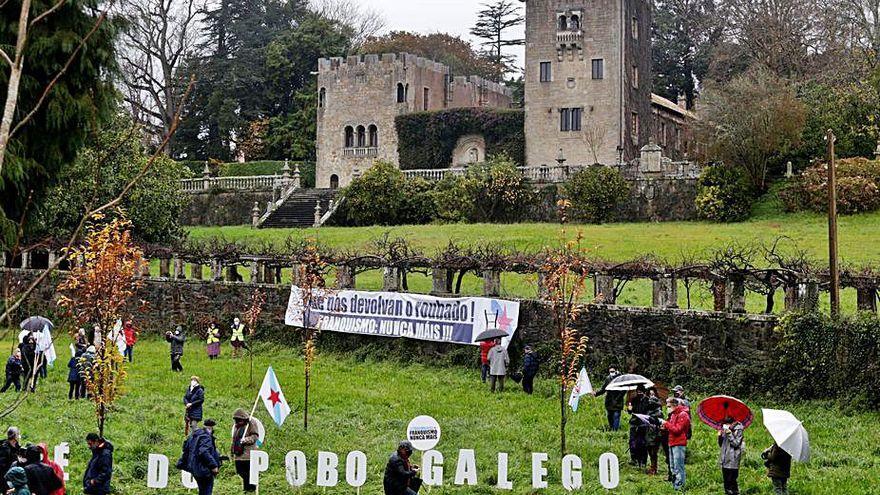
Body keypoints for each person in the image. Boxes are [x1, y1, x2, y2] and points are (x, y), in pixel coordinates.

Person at [177, 420, 221, 495]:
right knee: (207, 491)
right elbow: (204, 452)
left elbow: (185, 451)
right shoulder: (206, 436)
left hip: (194, 469)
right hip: (204, 470)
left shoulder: (193, 435)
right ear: (210, 428)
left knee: (202, 491)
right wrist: (213, 466)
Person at [662, 397, 691, 491]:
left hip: (679, 443)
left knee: (678, 466)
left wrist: (666, 424)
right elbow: (672, 428)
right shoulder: (673, 414)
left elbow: (677, 430)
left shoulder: (683, 415)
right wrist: (664, 427)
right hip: (671, 442)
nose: (667, 408)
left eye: (669, 406)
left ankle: (680, 487)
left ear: (674, 405)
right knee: (672, 466)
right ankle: (675, 486)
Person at [230, 409, 259, 492]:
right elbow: (234, 439)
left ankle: (250, 489)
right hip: (238, 455)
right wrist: (232, 451)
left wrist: (246, 440)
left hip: (248, 454)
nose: (237, 422)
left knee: (248, 474)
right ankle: (247, 489)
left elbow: (255, 436)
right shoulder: (236, 426)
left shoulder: (251, 423)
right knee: (240, 472)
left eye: (239, 420)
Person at [718, 417, 745, 495]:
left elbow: (736, 443)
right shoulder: (725, 429)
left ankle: (735, 492)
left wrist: (729, 433)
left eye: (726, 424)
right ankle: (728, 492)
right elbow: (721, 445)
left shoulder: (738, 430)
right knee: (726, 480)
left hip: (733, 459)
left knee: (732, 480)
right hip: (724, 458)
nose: (725, 426)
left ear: (731, 423)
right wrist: (720, 436)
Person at [594, 366, 625, 431]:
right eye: (610, 372)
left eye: (613, 371)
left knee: (616, 416)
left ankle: (615, 431)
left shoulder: (621, 379)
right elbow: (603, 389)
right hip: (609, 401)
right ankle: (611, 429)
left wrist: (618, 399)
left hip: (618, 401)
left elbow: (624, 390)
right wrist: (596, 394)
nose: (611, 373)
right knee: (609, 416)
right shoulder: (608, 379)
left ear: (616, 371)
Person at [627, 385, 650, 467]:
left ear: (644, 392)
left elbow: (648, 412)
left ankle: (643, 461)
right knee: (632, 441)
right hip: (634, 423)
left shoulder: (648, 400)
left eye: (640, 391)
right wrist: (629, 408)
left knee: (643, 443)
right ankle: (634, 459)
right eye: (638, 391)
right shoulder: (633, 400)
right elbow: (630, 412)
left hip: (643, 424)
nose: (639, 393)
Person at [645, 388, 665, 475]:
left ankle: (654, 468)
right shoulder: (648, 411)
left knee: (654, 452)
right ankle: (652, 467)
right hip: (648, 433)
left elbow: (660, 422)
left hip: (656, 434)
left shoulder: (659, 412)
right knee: (649, 450)